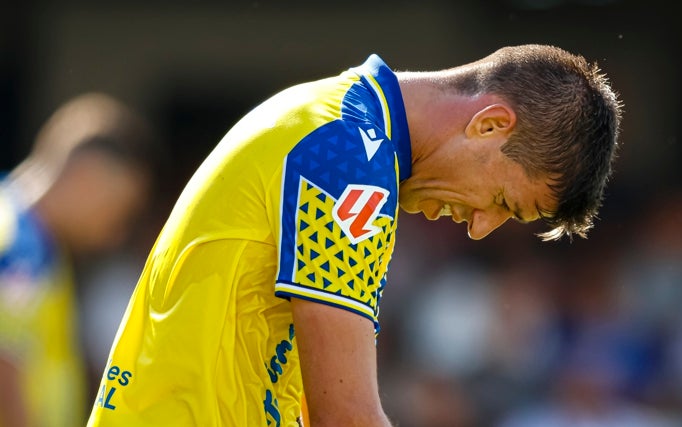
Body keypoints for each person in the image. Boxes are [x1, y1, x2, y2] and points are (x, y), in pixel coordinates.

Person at [87, 44, 621, 427]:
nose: (482, 227)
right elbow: (344, 415)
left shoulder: (339, 123)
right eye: (503, 202)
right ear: (489, 125)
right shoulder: (352, 159)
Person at [0, 93, 158, 427]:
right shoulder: (17, 243)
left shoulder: (33, 242)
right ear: (88, 178)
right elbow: (4, 366)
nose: (116, 233)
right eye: (122, 210)